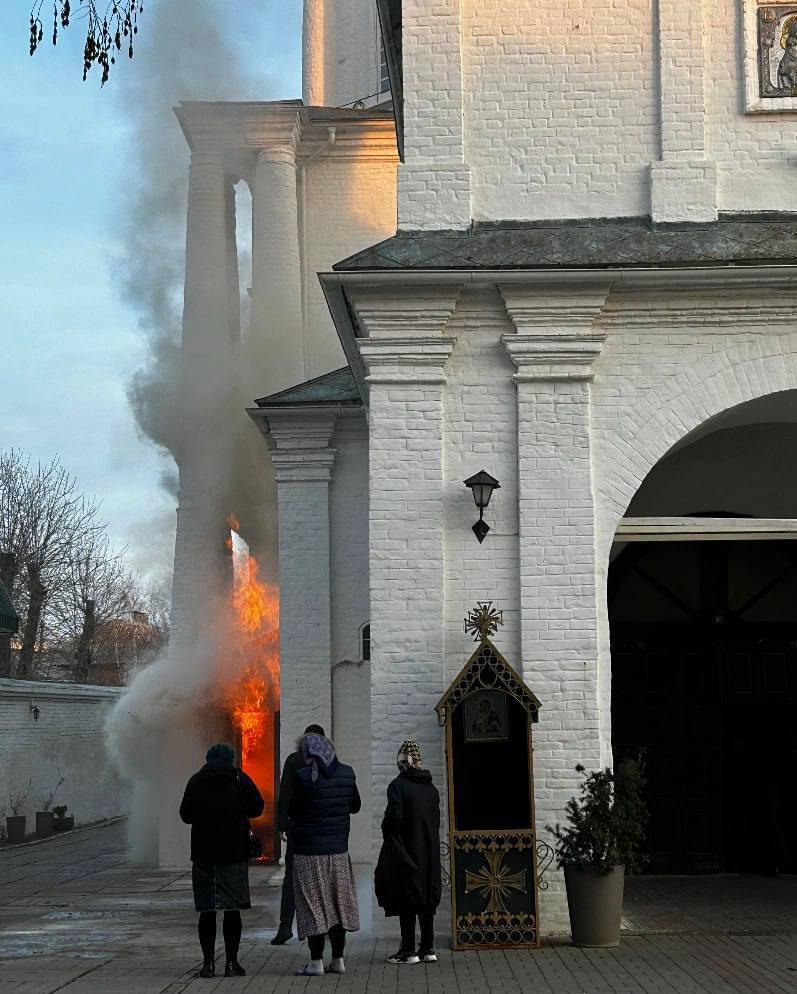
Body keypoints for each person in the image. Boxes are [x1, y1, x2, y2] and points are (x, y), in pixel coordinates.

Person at [179, 743, 264, 979]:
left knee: (207, 910)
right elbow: (257, 807)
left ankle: (207, 965)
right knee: (232, 910)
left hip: (204, 855)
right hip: (233, 855)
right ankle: (231, 963)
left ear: (208, 759)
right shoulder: (239, 779)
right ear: (230, 759)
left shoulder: (196, 781)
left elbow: (185, 815)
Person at [289, 732, 361, 976]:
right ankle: (338, 960)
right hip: (338, 851)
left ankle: (316, 962)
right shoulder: (348, 773)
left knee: (313, 907)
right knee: (338, 905)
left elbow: (293, 810)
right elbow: (356, 805)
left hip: (308, 853)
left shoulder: (303, 778)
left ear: (309, 755)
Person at [376, 740, 441, 965]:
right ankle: (428, 948)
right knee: (426, 900)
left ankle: (408, 950)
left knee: (407, 899)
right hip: (429, 851)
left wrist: (386, 829)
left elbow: (394, 817)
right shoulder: (431, 789)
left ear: (400, 762)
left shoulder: (398, 786)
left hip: (406, 849)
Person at [271, 722, 326, 945]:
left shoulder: (294, 761)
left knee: (291, 879)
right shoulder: (329, 761)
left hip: (299, 827)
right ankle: (326, 927)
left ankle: (285, 927)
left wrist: (282, 825)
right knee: (322, 877)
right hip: (323, 829)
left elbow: (285, 794)